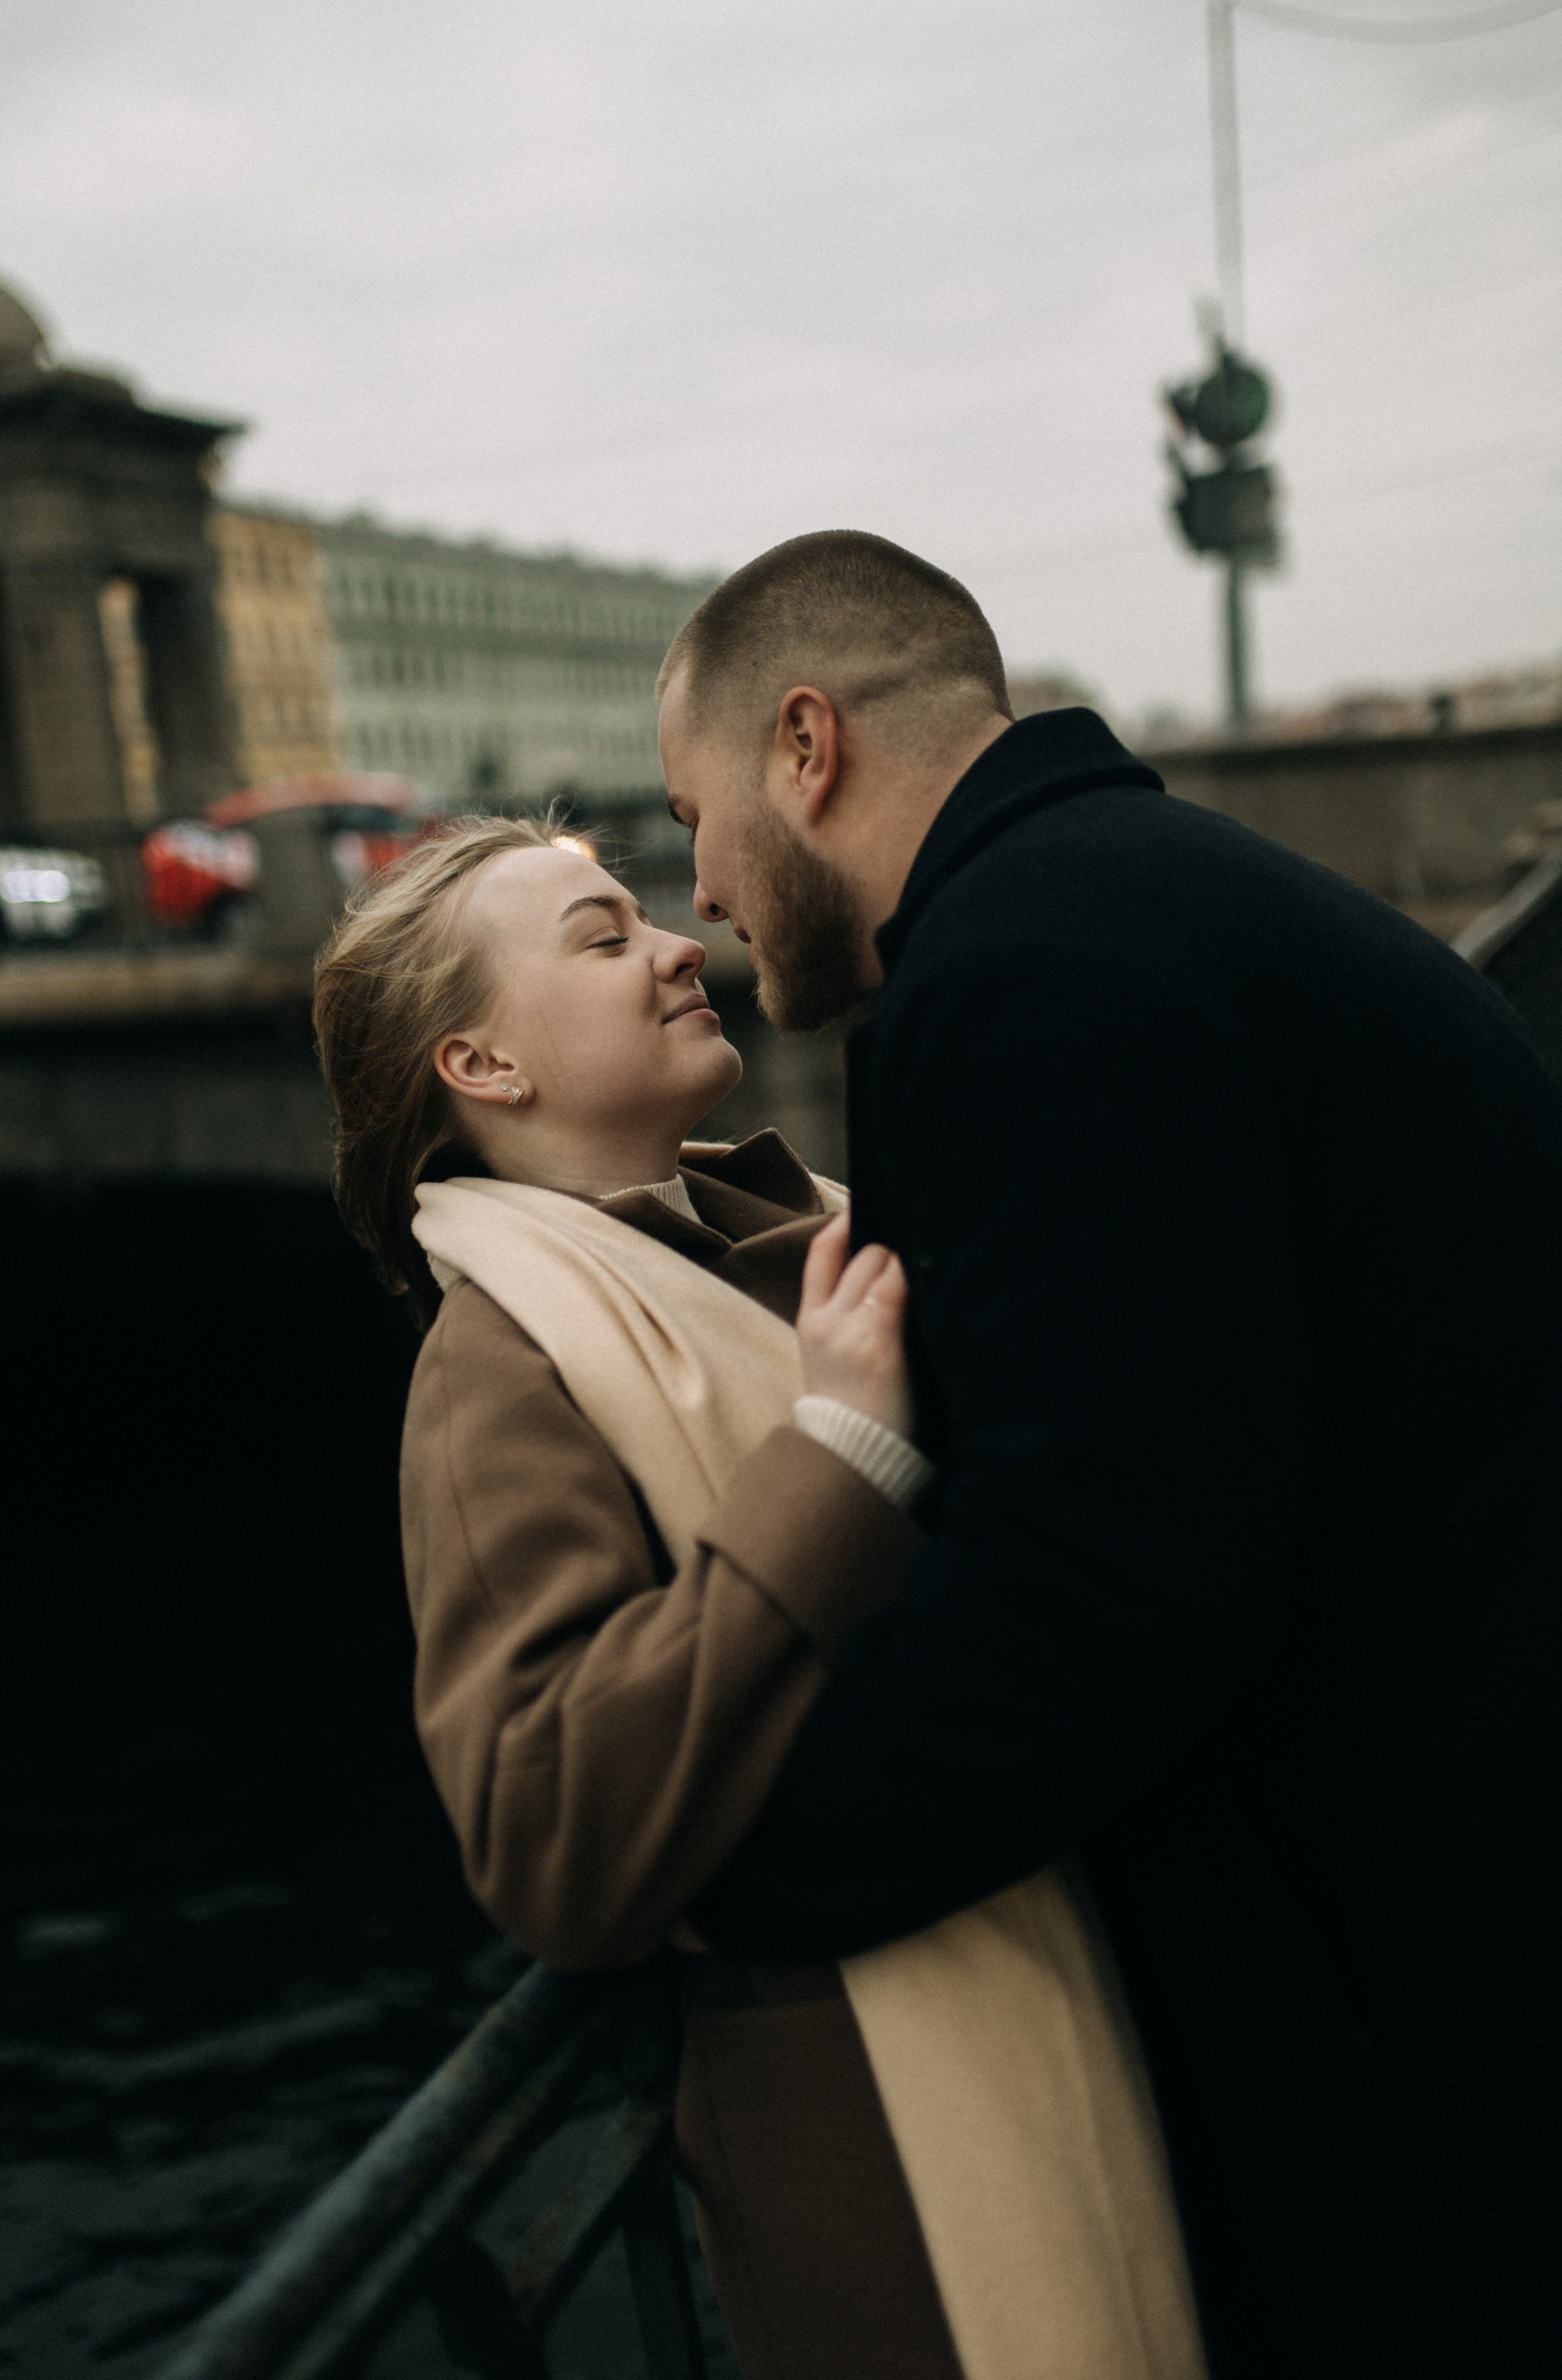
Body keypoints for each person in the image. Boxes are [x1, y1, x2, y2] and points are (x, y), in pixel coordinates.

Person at [654, 529, 1562, 2379]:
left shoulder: (1024, 975)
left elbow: (1103, 1585)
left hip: (1432, 2039)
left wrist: (735, 1879)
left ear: (805, 747)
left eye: (694, 817)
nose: (702, 892)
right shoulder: (1144, 896)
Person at [312, 818, 1208, 2380]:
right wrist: (842, 1456)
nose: (677, 944)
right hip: (882, 2137)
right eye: (601, 938)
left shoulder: (780, 1238)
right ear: (486, 1067)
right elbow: (545, 1828)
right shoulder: (494, 1371)